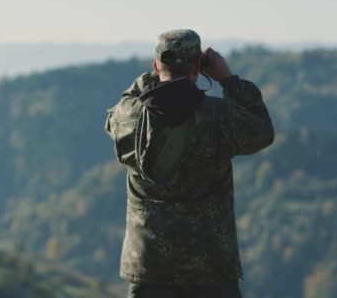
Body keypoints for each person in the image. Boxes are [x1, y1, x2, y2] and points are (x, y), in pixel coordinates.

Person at [104, 29, 275, 298]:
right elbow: (263, 130)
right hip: (212, 270)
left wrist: (156, 75)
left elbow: (125, 101)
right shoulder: (219, 117)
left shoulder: (129, 117)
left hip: (150, 270)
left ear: (156, 65)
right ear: (199, 66)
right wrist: (228, 80)